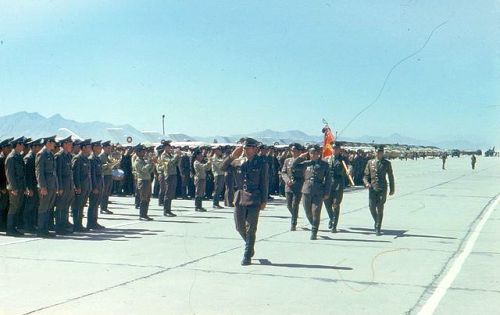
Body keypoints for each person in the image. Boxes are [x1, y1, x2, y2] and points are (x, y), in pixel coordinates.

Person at [223, 138, 268, 265]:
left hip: (254, 198)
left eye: (247, 148)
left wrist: (264, 200)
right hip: (240, 197)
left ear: (254, 149)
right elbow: (222, 167)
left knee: (251, 228)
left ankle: (247, 255)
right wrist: (232, 156)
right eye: (244, 148)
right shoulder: (237, 162)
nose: (245, 150)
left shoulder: (261, 163)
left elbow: (264, 183)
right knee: (239, 227)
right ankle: (250, 245)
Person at [293, 145, 331, 240]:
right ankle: (313, 223)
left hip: (318, 191)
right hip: (306, 190)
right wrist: (301, 157)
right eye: (311, 153)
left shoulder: (324, 164)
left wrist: (326, 192)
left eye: (315, 153)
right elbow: (294, 166)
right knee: (308, 212)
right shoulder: (306, 163)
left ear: (318, 154)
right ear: (309, 154)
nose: (313, 155)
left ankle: (314, 232)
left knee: (316, 212)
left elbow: (328, 180)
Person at [363, 145, 395, 236]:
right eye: (377, 152)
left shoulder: (387, 163)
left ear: (382, 153)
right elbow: (365, 176)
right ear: (374, 152)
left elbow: (390, 176)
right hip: (372, 188)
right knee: (371, 207)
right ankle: (377, 220)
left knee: (380, 207)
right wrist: (366, 183)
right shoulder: (370, 162)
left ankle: (378, 227)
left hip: (382, 188)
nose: (378, 154)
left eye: (380, 152)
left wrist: (392, 189)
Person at [35, 136, 59, 238]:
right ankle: (41, 230)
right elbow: (39, 171)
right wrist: (42, 186)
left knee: (48, 208)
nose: (55, 145)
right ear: (48, 142)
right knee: (43, 208)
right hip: (46, 186)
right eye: (53, 143)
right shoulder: (42, 154)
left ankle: (45, 228)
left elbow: (53, 172)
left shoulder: (50, 154)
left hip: (52, 185)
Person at [324, 143, 349, 233]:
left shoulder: (343, 159)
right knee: (327, 204)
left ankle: (334, 225)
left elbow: (349, 166)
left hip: (338, 184)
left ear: (339, 149)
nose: (335, 150)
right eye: (333, 148)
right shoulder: (327, 159)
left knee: (335, 204)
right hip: (328, 184)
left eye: (337, 148)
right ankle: (331, 218)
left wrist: (350, 170)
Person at [5, 137, 28, 236]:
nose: (23, 146)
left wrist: (24, 187)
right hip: (15, 188)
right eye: (22, 144)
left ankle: (14, 227)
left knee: (17, 207)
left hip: (20, 187)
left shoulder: (18, 156)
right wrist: (13, 188)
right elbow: (9, 175)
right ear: (17, 145)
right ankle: (10, 229)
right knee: (13, 207)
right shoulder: (11, 157)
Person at [281, 143, 305, 231]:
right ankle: (295, 215)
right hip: (288, 186)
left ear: (299, 152)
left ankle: (293, 223)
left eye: (295, 151)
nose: (293, 152)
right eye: (292, 151)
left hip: (298, 185)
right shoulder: (287, 160)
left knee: (295, 205)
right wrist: (287, 180)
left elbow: (304, 173)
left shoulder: (303, 160)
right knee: (288, 205)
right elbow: (283, 172)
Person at [54, 136, 74, 234]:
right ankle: (59, 227)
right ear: (64, 144)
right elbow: (58, 173)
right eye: (70, 144)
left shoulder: (68, 155)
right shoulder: (59, 156)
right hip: (63, 185)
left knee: (66, 206)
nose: (71, 146)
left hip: (69, 185)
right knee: (60, 206)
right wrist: (60, 187)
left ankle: (64, 224)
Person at [23, 138, 43, 233]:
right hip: (31, 187)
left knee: (34, 206)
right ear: (33, 147)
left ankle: (32, 225)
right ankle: (27, 226)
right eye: (38, 146)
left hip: (35, 186)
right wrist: (29, 188)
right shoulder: (29, 158)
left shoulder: (35, 156)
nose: (39, 148)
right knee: (29, 207)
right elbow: (27, 175)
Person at [72, 139, 92, 232]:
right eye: (88, 147)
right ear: (83, 148)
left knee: (82, 206)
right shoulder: (78, 158)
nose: (90, 148)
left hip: (86, 186)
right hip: (80, 187)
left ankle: (79, 224)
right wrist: (77, 186)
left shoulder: (86, 158)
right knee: (77, 206)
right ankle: (77, 225)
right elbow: (76, 174)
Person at [133, 144, 155, 220]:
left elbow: (150, 171)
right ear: (138, 153)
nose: (144, 153)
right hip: (142, 181)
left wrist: (152, 164)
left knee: (148, 198)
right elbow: (144, 170)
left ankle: (145, 214)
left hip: (147, 180)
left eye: (144, 151)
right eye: (142, 151)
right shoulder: (137, 162)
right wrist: (149, 163)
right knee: (143, 198)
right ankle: (142, 215)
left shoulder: (143, 160)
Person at [160, 141, 181, 217]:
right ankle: (166, 211)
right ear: (165, 147)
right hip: (168, 174)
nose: (170, 148)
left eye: (170, 146)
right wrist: (175, 156)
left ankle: (169, 210)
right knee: (168, 193)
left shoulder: (170, 154)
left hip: (173, 174)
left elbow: (175, 163)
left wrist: (178, 156)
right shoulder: (163, 155)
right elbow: (169, 163)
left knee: (171, 192)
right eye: (168, 147)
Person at [88, 141, 105, 230]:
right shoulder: (92, 159)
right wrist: (94, 187)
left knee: (96, 204)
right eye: (99, 146)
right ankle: (91, 223)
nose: (101, 148)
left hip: (99, 184)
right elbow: (92, 174)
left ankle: (94, 221)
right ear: (94, 147)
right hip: (95, 186)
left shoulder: (97, 158)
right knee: (93, 204)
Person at [0, 138, 13, 232]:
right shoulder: (1, 159)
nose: (10, 149)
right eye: (8, 147)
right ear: (3, 148)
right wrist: (1, 187)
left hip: (7, 187)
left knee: (6, 206)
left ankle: (4, 224)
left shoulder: (7, 158)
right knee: (2, 206)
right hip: (2, 188)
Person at [99, 141, 115, 214]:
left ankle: (105, 207)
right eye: (108, 148)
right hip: (104, 176)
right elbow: (100, 167)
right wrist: (107, 164)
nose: (109, 150)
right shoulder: (101, 156)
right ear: (104, 148)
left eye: (110, 148)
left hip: (109, 175)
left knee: (107, 192)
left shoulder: (109, 156)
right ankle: (102, 208)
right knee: (104, 192)